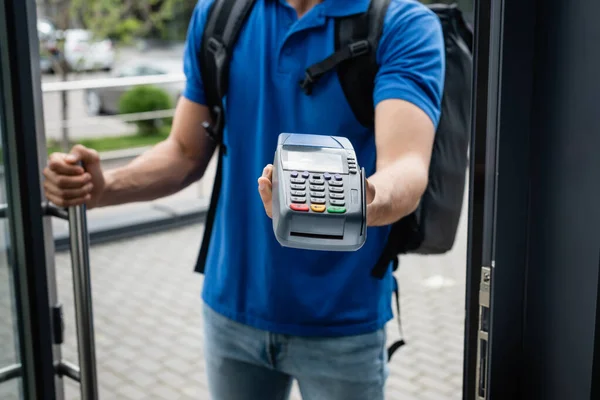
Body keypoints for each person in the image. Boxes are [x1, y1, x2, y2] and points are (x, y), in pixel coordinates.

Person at [42, 0, 445, 398]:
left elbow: (406, 166)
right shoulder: (220, 13)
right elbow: (184, 151)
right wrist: (104, 186)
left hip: (342, 321)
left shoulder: (401, 23)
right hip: (230, 313)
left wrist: (357, 200)